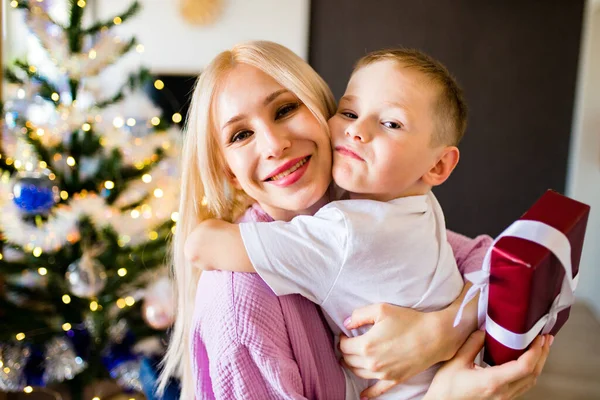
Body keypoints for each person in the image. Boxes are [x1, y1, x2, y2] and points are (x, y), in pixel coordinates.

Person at [159, 41, 550, 399]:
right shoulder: (239, 305)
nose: (275, 144)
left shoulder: (360, 212)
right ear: (227, 171)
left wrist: (441, 332)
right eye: (241, 135)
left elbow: (500, 266)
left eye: (285, 110)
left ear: (320, 111)